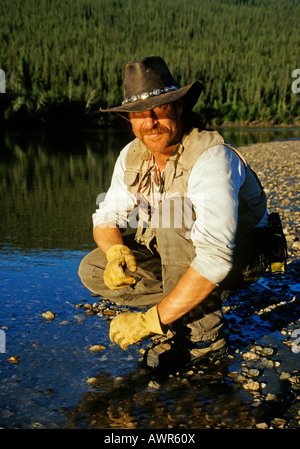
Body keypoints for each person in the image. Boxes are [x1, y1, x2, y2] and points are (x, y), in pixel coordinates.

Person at [78, 56, 270, 370]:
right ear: (129, 120)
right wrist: (115, 252)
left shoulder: (211, 157)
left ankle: (204, 338)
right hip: (179, 253)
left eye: (160, 110)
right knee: (94, 268)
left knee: (172, 215)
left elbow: (216, 258)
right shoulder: (132, 154)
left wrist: (148, 322)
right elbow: (106, 216)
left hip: (243, 257)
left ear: (178, 109)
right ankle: (180, 306)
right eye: (139, 114)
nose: (150, 122)